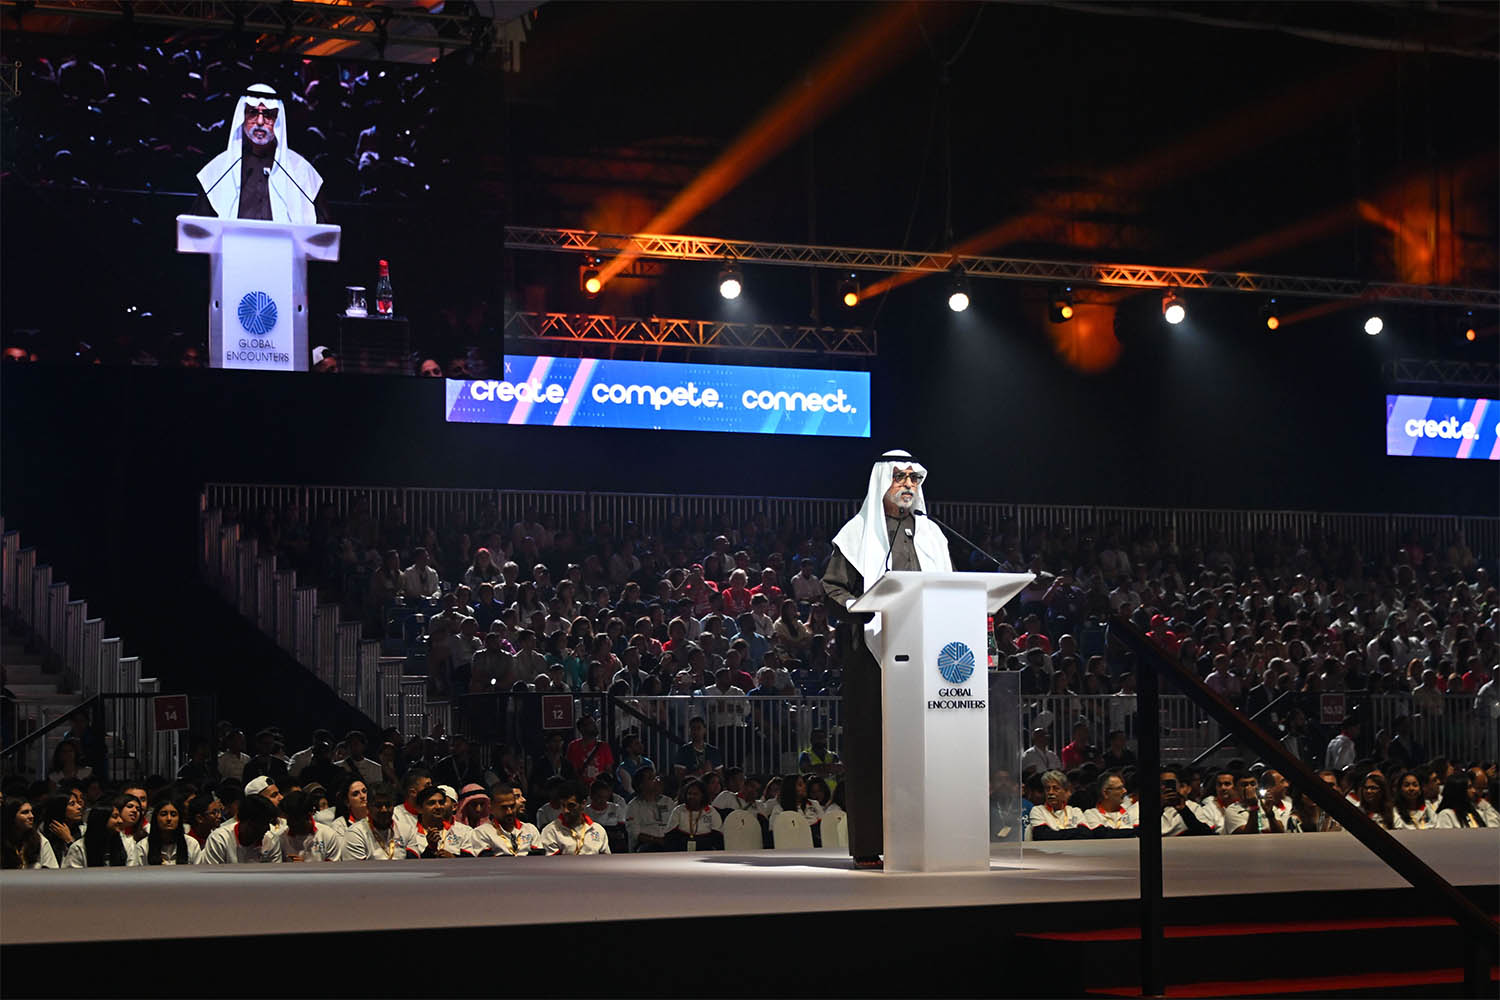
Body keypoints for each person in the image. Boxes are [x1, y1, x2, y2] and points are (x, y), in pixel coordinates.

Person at [822, 450, 953, 867]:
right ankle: (869, 845)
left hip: (927, 652)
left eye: (914, 479)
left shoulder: (932, 534)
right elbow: (832, 588)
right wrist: (860, 608)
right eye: (900, 478)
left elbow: (951, 586)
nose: (908, 485)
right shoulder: (856, 534)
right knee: (870, 748)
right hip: (869, 653)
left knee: (926, 749)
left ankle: (929, 839)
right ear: (882, 481)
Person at [193, 84, 328, 224]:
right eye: (253, 112)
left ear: (278, 120)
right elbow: (198, 229)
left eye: (268, 115)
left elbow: (325, 230)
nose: (259, 122)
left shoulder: (300, 171)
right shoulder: (219, 169)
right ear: (242, 117)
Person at [343, 782, 421, 860]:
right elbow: (356, 867)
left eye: (388, 805)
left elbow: (414, 864)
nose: (384, 810)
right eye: (378, 805)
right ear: (368, 807)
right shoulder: (356, 834)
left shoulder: (407, 830)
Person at [198, 795, 283, 864]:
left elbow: (274, 876)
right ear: (247, 822)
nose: (268, 829)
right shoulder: (220, 839)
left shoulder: (271, 839)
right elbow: (211, 877)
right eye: (263, 824)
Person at [537, 781, 611, 855]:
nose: (566, 810)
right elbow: (552, 861)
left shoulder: (598, 830)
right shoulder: (551, 831)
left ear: (583, 804)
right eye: (563, 805)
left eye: (571, 805)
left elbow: (606, 859)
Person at [472, 782, 541, 856]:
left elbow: (540, 858)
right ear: (491, 808)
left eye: (512, 806)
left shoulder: (530, 829)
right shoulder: (481, 832)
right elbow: (487, 861)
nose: (509, 812)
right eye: (504, 808)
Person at [272, 790, 343, 862]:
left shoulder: (327, 834)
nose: (288, 823)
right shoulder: (281, 837)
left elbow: (335, 867)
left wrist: (305, 866)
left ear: (310, 814)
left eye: (294, 819)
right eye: (287, 819)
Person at [64, 802, 132, 868]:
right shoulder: (79, 847)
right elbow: (72, 874)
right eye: (115, 817)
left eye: (119, 816)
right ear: (101, 819)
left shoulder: (126, 844)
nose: (120, 821)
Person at [136, 797, 200, 866]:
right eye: (163, 814)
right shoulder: (143, 846)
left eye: (173, 815)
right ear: (155, 818)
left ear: (179, 819)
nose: (169, 818)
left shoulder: (191, 844)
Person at [664, 778, 724, 851]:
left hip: (705, 848)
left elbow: (718, 837)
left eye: (695, 794)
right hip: (682, 848)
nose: (691, 797)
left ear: (702, 796)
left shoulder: (711, 811)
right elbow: (670, 835)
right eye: (689, 794)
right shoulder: (679, 810)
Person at [625, 767, 674, 852]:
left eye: (656, 777)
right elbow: (635, 834)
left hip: (667, 842)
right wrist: (657, 840)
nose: (657, 781)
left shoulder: (668, 801)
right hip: (645, 845)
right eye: (651, 778)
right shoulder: (633, 806)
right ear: (641, 785)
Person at [1028, 770, 1085, 839]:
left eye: (1056, 788)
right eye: (1047, 789)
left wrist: (1054, 834)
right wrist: (1075, 832)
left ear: (1065, 791)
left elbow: (1085, 834)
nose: (1050, 792)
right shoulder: (1038, 810)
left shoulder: (1075, 811)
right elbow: (1042, 835)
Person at [3, 799, 57, 869]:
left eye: (31, 811)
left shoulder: (41, 841)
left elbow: (53, 871)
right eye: (25, 812)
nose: (31, 816)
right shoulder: (3, 841)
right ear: (11, 817)